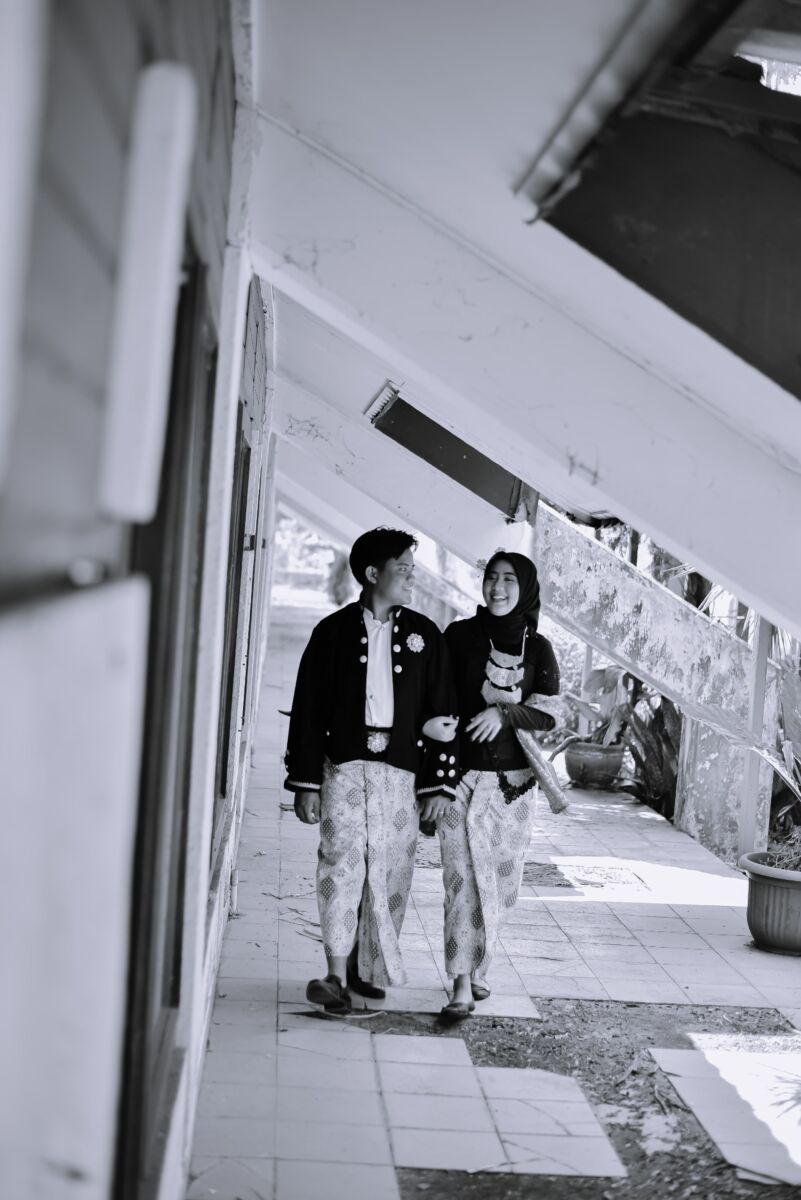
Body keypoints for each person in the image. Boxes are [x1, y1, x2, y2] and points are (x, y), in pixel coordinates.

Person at [284, 528, 458, 1013]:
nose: (412, 578)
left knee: (390, 872)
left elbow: (445, 711)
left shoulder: (427, 636)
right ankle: (335, 976)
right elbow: (307, 711)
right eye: (403, 570)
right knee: (339, 864)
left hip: (402, 773)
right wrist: (305, 782)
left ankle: (368, 968)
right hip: (342, 768)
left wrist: (438, 784)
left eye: (412, 570)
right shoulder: (331, 633)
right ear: (372, 573)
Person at [437, 551, 559, 1021]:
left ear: (524, 588)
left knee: (502, 884)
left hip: (514, 788)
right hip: (460, 779)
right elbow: (437, 698)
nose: (497, 587)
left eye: (509, 579)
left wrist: (505, 712)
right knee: (460, 881)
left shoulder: (539, 648)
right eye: (491, 577)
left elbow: (549, 714)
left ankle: (479, 965)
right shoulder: (459, 636)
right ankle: (460, 983)